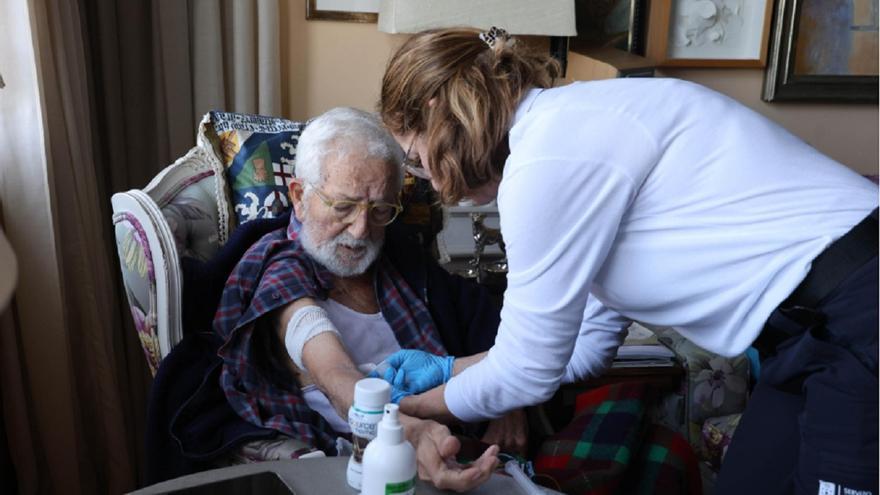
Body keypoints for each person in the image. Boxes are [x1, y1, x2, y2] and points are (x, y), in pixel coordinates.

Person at [376, 27, 879, 495]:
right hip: (806, 342)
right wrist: (451, 369)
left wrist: (410, 410)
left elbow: (526, 372)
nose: (433, 183)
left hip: (862, 313)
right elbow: (584, 350)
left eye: (416, 159)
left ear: (438, 109)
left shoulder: (549, 159)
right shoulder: (565, 140)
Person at [212, 106, 527, 491]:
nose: (361, 230)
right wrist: (403, 432)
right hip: (364, 465)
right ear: (299, 197)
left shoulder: (400, 260)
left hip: (462, 441)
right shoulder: (283, 272)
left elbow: (491, 329)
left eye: (380, 210)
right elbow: (337, 376)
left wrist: (510, 398)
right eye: (343, 207)